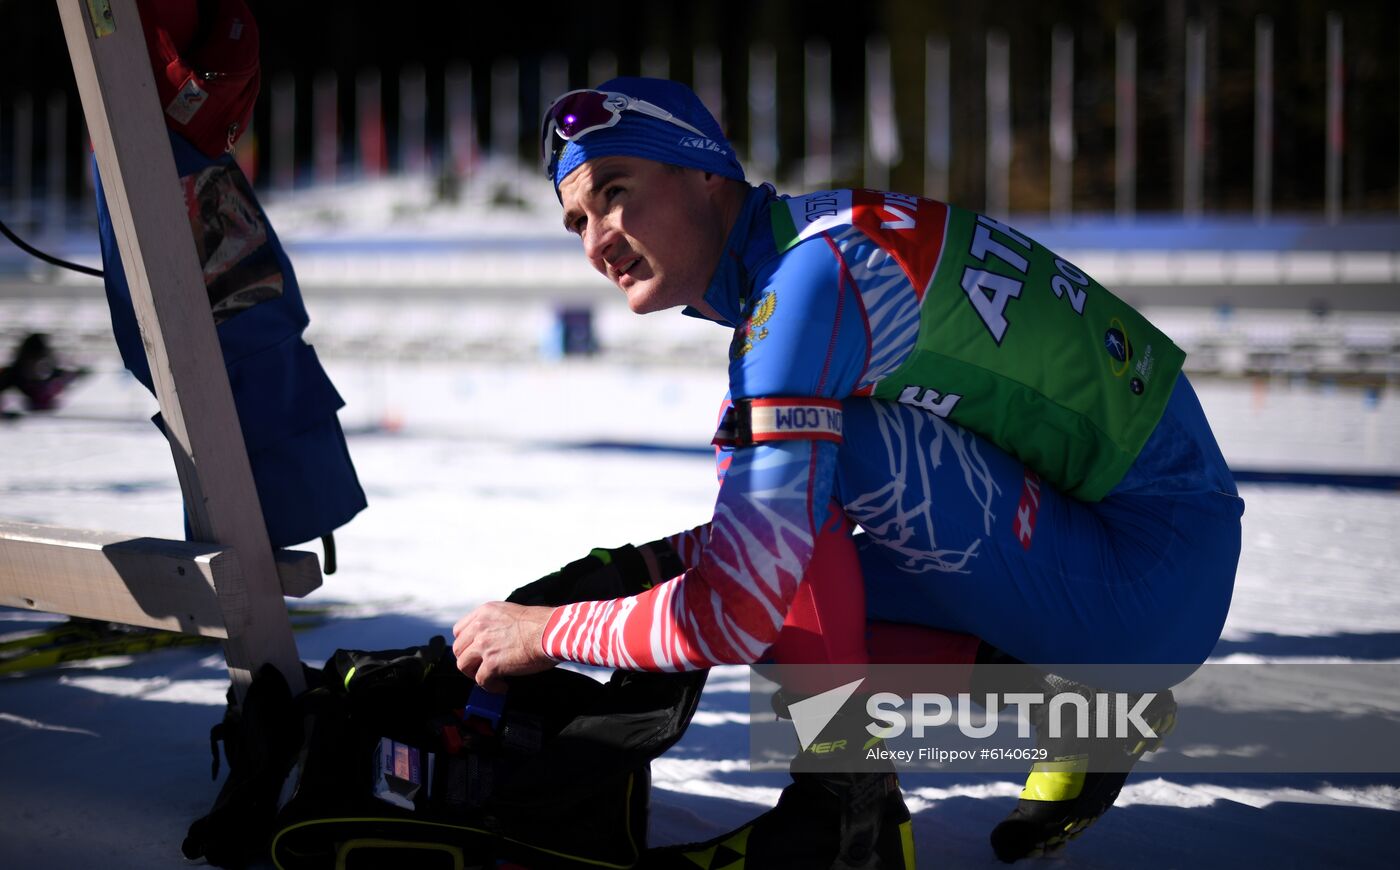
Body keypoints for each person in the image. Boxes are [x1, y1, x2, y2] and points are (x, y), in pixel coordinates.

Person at [452, 78, 1243, 867]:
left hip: (1150, 569)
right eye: (578, 222)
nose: (597, 242)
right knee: (801, 581)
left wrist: (546, 634)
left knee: (788, 557)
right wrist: (631, 572)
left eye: (615, 193)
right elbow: (779, 541)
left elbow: (735, 609)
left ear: (703, 171)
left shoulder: (801, 297)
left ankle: (846, 820)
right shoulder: (815, 239)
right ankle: (1064, 706)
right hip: (1145, 533)